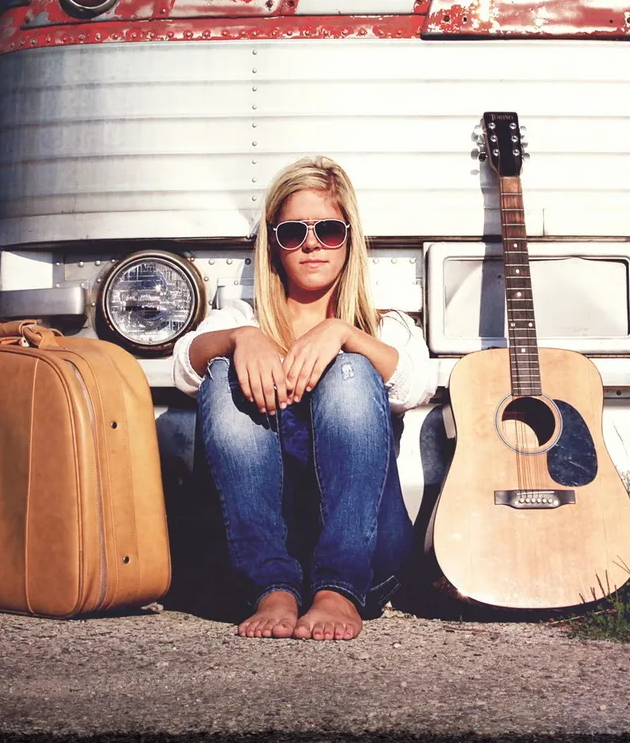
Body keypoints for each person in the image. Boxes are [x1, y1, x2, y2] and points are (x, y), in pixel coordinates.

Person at [171, 156, 434, 640]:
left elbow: (419, 384)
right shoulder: (244, 318)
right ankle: (272, 585)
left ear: (349, 238)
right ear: (274, 245)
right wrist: (241, 339)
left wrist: (343, 334)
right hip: (264, 557)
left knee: (353, 369)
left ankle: (337, 591)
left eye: (329, 230)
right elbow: (186, 365)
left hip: (368, 554)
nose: (311, 244)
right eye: (293, 233)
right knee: (224, 370)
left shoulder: (383, 326)